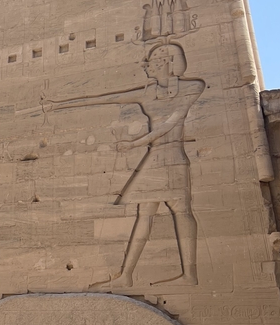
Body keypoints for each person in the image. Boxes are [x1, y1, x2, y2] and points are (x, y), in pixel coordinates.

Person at [45, 43, 205, 288]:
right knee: (145, 214)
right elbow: (106, 99)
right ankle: (126, 275)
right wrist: (58, 105)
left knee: (181, 212)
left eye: (152, 60)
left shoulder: (192, 87)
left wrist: (134, 143)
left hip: (173, 156)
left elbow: (172, 122)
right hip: (155, 157)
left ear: (167, 62)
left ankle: (189, 275)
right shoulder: (147, 93)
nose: (146, 65)